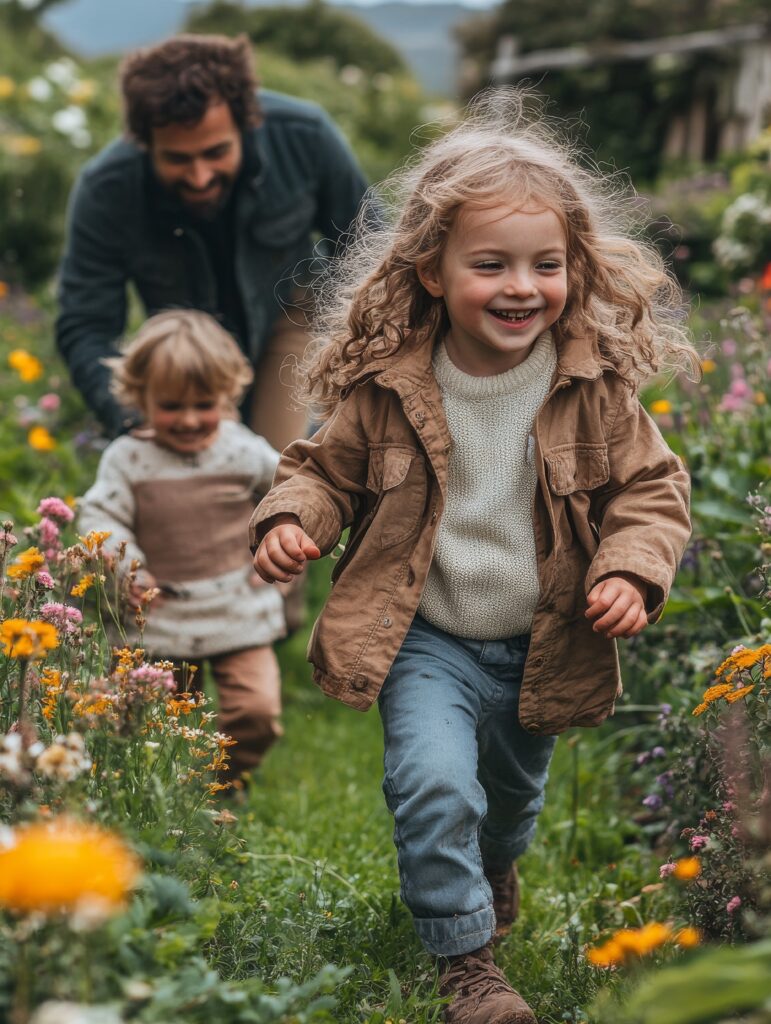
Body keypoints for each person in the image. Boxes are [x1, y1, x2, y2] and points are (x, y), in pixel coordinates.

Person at [248, 94, 698, 1022]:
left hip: (543, 639)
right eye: (488, 264)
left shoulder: (594, 392)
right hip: (426, 638)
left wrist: (628, 567)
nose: (519, 286)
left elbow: (651, 491)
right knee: (432, 783)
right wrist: (296, 519)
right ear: (431, 268)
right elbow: (320, 468)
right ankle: (466, 967)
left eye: (545, 264)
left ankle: (490, 873)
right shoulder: (391, 386)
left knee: (505, 808)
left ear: (575, 267)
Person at [56, 33, 369, 451]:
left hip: (288, 321)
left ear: (246, 123)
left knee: (273, 475)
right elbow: (86, 325)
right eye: (178, 159)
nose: (200, 176)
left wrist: (361, 366)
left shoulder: (305, 136)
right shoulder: (107, 190)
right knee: (191, 482)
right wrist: (131, 418)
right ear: (144, 143)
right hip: (185, 352)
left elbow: (369, 251)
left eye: (215, 152)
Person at [78, 310, 286, 788]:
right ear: (140, 398)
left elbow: (287, 490)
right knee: (149, 723)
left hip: (237, 604)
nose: (190, 420)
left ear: (228, 394)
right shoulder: (128, 459)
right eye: (172, 406)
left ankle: (220, 787)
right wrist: (126, 568)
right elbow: (99, 516)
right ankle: (162, 799)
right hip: (157, 613)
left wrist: (278, 541)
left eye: (204, 404)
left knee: (256, 709)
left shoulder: (241, 449)